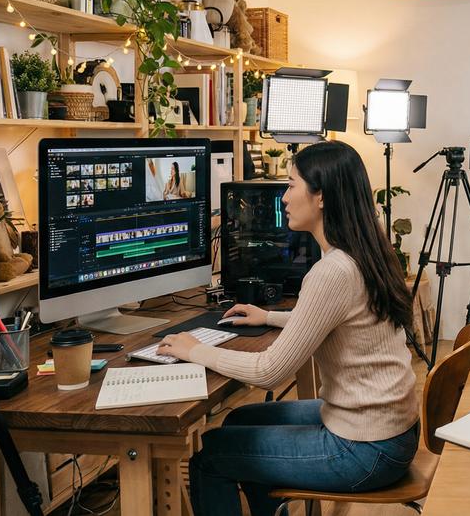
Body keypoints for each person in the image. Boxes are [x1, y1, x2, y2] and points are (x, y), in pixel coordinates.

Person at [157, 141, 419, 516]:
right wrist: (270, 317)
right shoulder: (367, 249)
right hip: (391, 432)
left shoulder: (332, 271)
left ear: (322, 197)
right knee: (240, 419)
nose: (283, 197)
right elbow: (341, 319)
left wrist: (193, 349)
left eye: (292, 185)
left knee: (211, 457)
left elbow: (270, 372)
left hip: (366, 450)